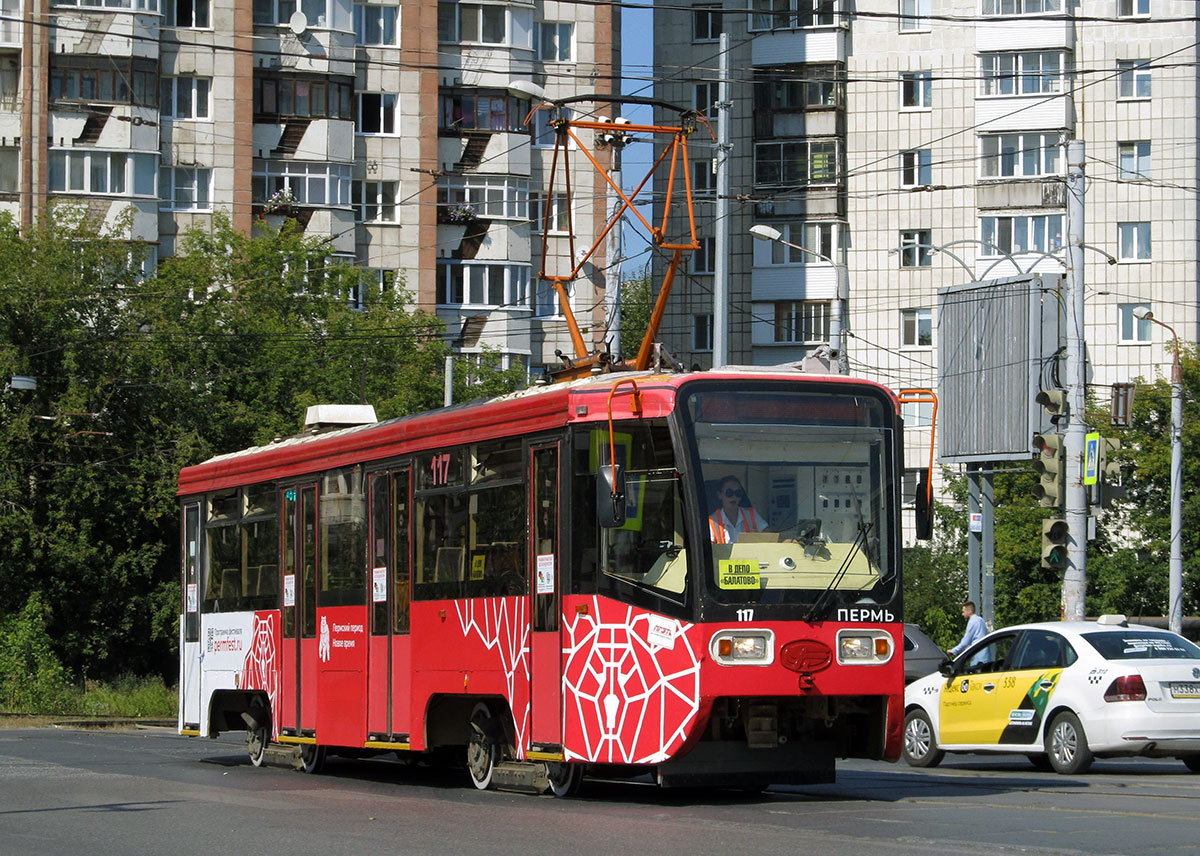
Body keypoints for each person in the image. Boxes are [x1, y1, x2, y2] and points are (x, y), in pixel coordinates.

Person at [708, 476, 769, 544]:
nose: (734, 497)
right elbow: (710, 546)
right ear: (720, 495)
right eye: (729, 493)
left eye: (738, 493)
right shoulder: (713, 520)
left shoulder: (751, 514)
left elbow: (768, 535)